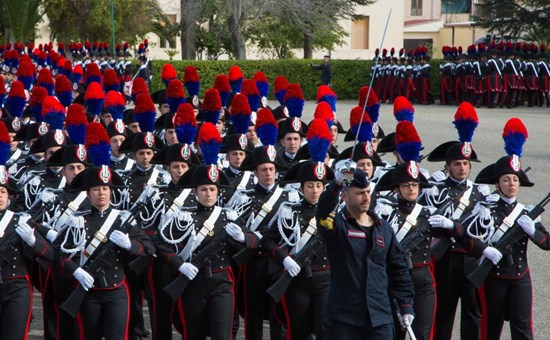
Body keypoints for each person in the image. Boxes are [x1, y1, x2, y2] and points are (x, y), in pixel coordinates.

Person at [464, 118, 550, 340]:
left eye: (515, 179)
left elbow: (547, 243)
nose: (512, 184)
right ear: (498, 183)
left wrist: (533, 231)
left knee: (522, 329)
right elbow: (467, 238)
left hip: (520, 276)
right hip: (493, 276)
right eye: (506, 179)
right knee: (490, 328)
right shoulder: (486, 208)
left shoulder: (525, 212)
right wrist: (484, 248)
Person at [53, 165, 155, 339]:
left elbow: (148, 248)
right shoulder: (77, 220)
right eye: (96, 189)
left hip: (117, 290)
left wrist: (129, 244)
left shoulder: (122, 219)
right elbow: (57, 252)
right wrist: (76, 271)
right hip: (88, 290)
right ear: (88, 193)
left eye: (105, 188)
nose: (101, 193)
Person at [316, 160, 415, 339]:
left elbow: (398, 269)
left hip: (379, 317)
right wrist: (336, 183)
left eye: (368, 192)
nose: (366, 197)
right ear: (345, 196)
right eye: (360, 193)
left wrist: (406, 305)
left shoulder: (383, 228)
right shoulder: (337, 226)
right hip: (344, 318)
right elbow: (323, 211)